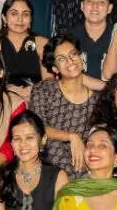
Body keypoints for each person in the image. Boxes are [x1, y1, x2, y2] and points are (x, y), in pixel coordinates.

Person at [29, 34, 98, 178]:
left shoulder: (97, 101)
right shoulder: (43, 89)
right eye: (62, 59)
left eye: (73, 54)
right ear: (55, 68)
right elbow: (36, 126)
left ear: (81, 58)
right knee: (51, 143)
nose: (70, 61)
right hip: (48, 168)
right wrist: (72, 136)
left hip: (84, 170)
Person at [0, 0, 51, 97]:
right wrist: (7, 90)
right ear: (4, 18)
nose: (20, 19)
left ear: (31, 19)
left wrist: (35, 90)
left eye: (25, 14)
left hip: (36, 99)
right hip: (4, 100)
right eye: (14, 14)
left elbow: (49, 81)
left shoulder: (42, 43)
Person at [68, 0, 115, 80]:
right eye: (89, 1)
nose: (95, 6)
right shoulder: (69, 36)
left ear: (109, 8)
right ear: (82, 5)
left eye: (101, 2)